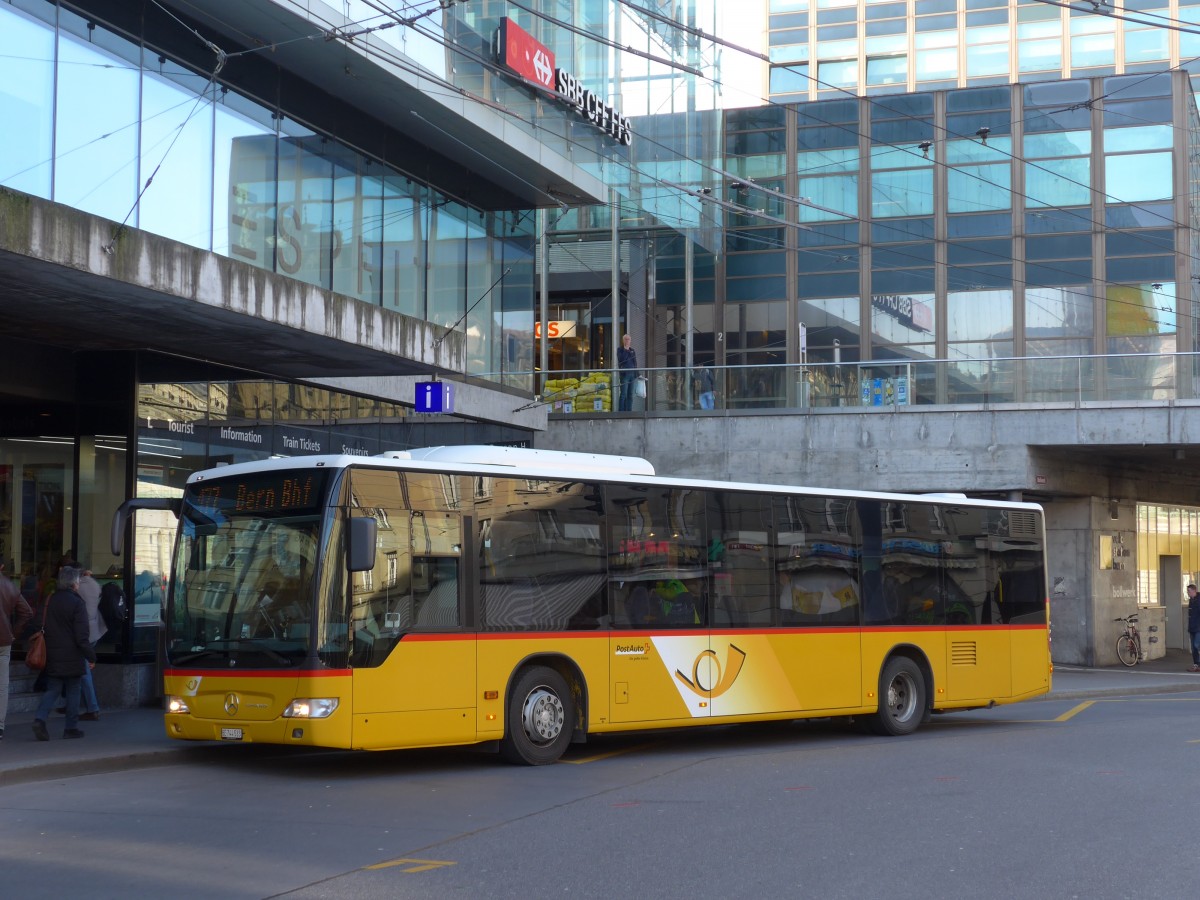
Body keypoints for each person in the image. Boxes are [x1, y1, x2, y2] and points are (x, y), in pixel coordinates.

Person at [31, 565, 96, 741]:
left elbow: (38, 624)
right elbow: (82, 636)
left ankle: (40, 719)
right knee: (74, 689)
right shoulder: (77, 603)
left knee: (53, 689)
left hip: (52, 653)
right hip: (73, 655)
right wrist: (91, 656)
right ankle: (71, 728)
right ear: (74, 583)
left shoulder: (49, 599)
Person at [0, 562, 34, 741]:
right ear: (2, 566)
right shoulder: (10, 586)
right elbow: (27, 612)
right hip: (4, 641)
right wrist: (14, 633)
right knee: (2, 686)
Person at [617, 333, 638, 412]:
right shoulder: (620, 350)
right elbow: (621, 359)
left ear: (630, 341)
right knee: (623, 394)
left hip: (632, 374)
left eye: (628, 339)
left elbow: (635, 362)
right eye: (626, 339)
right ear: (623, 341)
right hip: (624, 374)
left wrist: (637, 373)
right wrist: (626, 349)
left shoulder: (632, 350)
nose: (627, 341)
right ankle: (621, 411)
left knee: (630, 394)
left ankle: (629, 411)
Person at [1187, 583, 1200, 672]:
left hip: (1199, 627)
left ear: (1194, 591)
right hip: (1192, 627)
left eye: (1189, 591)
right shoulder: (1191, 600)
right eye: (1187, 591)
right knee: (1193, 647)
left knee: (1196, 645)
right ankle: (1196, 664)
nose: (1188, 593)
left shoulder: (1198, 600)